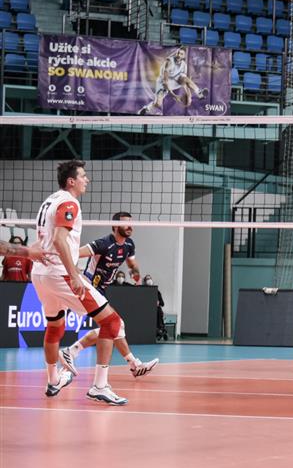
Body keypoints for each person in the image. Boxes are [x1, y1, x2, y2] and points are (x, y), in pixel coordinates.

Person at [31, 160, 131, 404]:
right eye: (83, 176)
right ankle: (99, 386)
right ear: (71, 181)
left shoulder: (49, 201)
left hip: (40, 274)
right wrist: (74, 275)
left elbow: (45, 239)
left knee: (55, 326)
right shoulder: (69, 202)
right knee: (112, 322)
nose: (87, 180)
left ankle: (53, 380)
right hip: (59, 273)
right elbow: (59, 239)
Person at [60, 212, 158, 380]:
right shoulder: (103, 244)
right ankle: (134, 365)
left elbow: (131, 263)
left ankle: (72, 351)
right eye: (125, 223)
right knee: (116, 325)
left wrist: (135, 275)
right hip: (90, 288)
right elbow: (73, 253)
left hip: (102, 290)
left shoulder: (129, 244)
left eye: (131, 223)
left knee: (113, 327)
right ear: (115, 226)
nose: (130, 226)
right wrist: (76, 274)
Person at [138, 47, 207, 115]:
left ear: (184, 56)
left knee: (185, 79)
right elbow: (165, 83)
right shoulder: (169, 62)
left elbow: (185, 82)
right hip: (163, 83)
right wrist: (174, 95)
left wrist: (189, 96)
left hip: (174, 82)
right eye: (178, 53)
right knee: (158, 103)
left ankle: (199, 93)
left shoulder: (184, 65)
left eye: (181, 54)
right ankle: (147, 108)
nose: (179, 55)